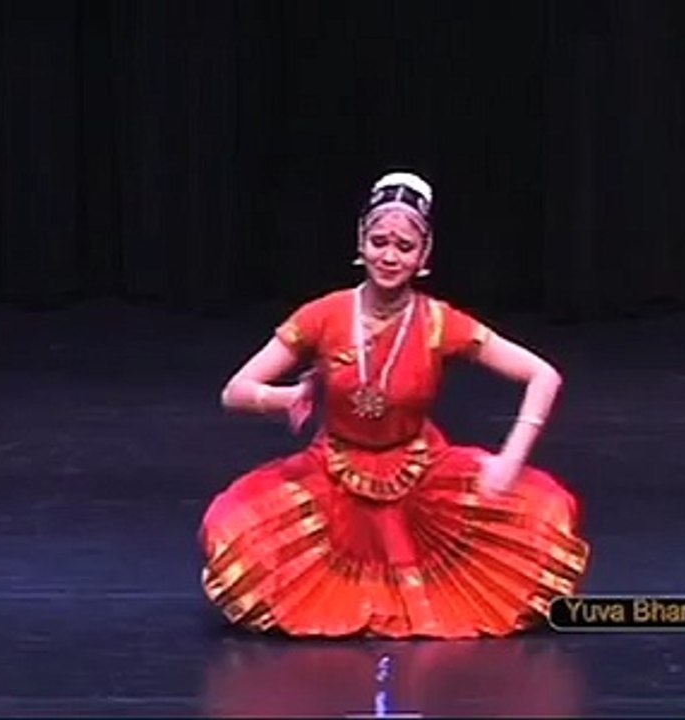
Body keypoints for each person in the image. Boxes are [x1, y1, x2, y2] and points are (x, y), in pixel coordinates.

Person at [199, 171, 589, 639]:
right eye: (378, 241)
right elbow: (235, 390)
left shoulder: (439, 322)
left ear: (423, 257)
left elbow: (542, 374)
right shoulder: (325, 314)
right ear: (361, 242)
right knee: (233, 525)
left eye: (404, 246)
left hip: (421, 475)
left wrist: (510, 458)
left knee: (544, 512)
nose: (389, 255)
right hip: (333, 475)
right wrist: (289, 396)